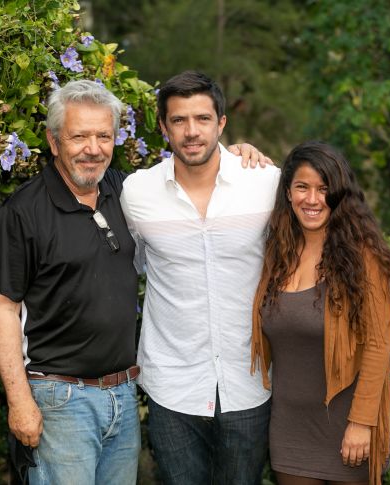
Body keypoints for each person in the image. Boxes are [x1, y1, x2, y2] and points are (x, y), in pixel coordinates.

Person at [0, 79, 268, 484]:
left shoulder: (126, 191)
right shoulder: (24, 212)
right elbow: (1, 308)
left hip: (122, 394)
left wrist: (240, 156)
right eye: (79, 136)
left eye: (104, 136)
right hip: (60, 399)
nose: (93, 148)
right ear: (52, 140)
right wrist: (19, 401)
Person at [120, 70, 282, 484]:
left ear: (222, 123)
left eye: (202, 119)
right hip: (172, 384)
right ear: (163, 128)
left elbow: (319, 247)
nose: (192, 132)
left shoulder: (265, 182)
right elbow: (127, 265)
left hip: (250, 382)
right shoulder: (137, 193)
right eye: (179, 120)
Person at [250, 141, 390, 485]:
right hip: (289, 426)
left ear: (339, 195)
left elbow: (379, 346)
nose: (313, 199)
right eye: (302, 187)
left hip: (348, 426)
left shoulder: (364, 258)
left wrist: (362, 423)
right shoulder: (276, 255)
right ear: (287, 193)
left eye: (324, 189)